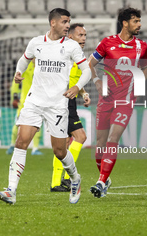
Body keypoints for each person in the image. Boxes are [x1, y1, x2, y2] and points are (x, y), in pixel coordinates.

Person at [0, 8, 91, 205]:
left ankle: (75, 178)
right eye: (64, 22)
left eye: (68, 22)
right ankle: (11, 190)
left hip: (57, 105)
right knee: (21, 142)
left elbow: (86, 69)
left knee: (60, 151)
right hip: (34, 101)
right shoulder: (36, 42)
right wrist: (18, 72)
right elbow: (24, 59)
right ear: (53, 23)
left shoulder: (71, 46)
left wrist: (77, 87)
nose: (67, 26)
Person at [88, 7, 147, 198]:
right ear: (125, 23)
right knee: (100, 144)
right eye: (135, 21)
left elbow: (145, 69)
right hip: (106, 99)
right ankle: (105, 178)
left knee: (113, 139)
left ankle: (100, 182)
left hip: (125, 100)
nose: (139, 24)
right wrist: (97, 81)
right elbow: (90, 64)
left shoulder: (142, 46)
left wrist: (139, 87)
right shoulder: (107, 43)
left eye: (139, 21)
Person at [50, 23, 91, 192]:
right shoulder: (65, 53)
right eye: (80, 35)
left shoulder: (76, 55)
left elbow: (73, 81)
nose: (84, 39)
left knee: (65, 143)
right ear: (71, 36)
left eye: (85, 35)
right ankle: (68, 178)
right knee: (80, 137)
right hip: (63, 101)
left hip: (69, 100)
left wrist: (83, 93)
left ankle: (55, 183)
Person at [6, 59, 43, 156]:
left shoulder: (43, 67)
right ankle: (11, 145)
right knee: (18, 123)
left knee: (38, 123)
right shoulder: (26, 66)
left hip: (39, 100)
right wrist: (14, 97)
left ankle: (35, 148)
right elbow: (16, 81)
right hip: (25, 101)